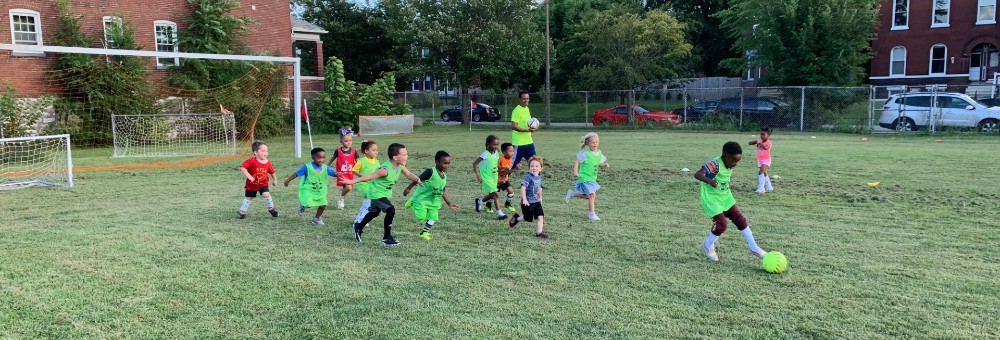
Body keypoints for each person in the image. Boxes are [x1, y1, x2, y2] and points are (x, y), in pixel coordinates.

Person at [693, 141, 768, 262]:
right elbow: (697, 174)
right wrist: (709, 181)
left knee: (740, 220)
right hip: (712, 199)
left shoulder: (729, 163)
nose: (735, 164)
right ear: (724, 156)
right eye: (733, 161)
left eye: (737, 161)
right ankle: (708, 245)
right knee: (722, 225)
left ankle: (754, 247)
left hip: (726, 197)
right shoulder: (715, 164)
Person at [344, 143, 423, 246]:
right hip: (376, 193)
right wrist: (351, 181)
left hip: (383, 193)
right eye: (404, 154)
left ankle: (358, 226)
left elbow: (408, 174)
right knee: (391, 210)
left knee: (375, 212)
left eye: (406, 154)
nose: (406, 156)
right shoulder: (384, 170)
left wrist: (417, 179)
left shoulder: (400, 166)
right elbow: (369, 177)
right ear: (395, 157)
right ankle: (387, 238)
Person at [402, 150, 460, 240]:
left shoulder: (444, 176)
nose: (446, 165)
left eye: (448, 163)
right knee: (421, 217)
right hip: (422, 199)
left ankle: (424, 233)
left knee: (433, 217)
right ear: (436, 162)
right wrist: (408, 188)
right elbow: (417, 179)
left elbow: (443, 190)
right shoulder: (430, 172)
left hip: (434, 201)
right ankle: (412, 201)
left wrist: (449, 203)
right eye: (444, 163)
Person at [284, 147, 339, 225]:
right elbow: (297, 173)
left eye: (323, 158)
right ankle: (303, 205)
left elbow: (333, 173)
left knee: (323, 204)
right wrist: (288, 180)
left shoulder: (325, 167)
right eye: (319, 157)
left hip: (320, 190)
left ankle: (317, 218)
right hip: (308, 189)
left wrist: (337, 174)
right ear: (313, 157)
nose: (321, 160)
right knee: (308, 204)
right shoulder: (307, 167)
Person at [565, 132, 609, 221]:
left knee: (589, 196)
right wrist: (575, 172)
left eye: (597, 142)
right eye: (593, 142)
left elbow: (601, 164)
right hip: (584, 177)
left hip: (592, 178)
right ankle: (591, 213)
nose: (595, 144)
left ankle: (572, 194)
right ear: (587, 143)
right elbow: (577, 161)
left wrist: (605, 166)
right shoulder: (586, 153)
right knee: (592, 194)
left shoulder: (599, 153)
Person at [508, 156, 549, 239]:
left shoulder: (539, 177)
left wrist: (540, 198)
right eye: (532, 166)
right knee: (527, 218)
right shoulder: (528, 177)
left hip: (536, 201)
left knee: (540, 217)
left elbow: (539, 188)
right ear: (529, 168)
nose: (534, 168)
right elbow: (523, 188)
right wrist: (525, 199)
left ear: (541, 168)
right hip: (528, 202)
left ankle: (539, 233)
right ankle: (516, 218)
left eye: (537, 166)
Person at [238, 141, 278, 219]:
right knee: (249, 198)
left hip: (263, 183)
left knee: (266, 194)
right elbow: (243, 167)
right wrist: (249, 176)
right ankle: (242, 212)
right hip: (251, 185)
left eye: (267, 151)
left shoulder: (268, 162)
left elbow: (272, 172)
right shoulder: (251, 161)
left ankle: (271, 209)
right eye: (263, 151)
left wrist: (275, 180)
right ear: (256, 152)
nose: (266, 153)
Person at [473, 135, 507, 220]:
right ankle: (500, 213)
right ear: (488, 144)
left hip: (494, 177)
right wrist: (478, 175)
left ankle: (479, 201)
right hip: (486, 177)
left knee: (492, 195)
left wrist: (503, 169)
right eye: (494, 144)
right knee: (495, 194)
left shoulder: (496, 154)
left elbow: (495, 166)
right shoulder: (485, 154)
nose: (496, 146)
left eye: (497, 144)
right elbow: (475, 164)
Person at [351, 140, 379, 228]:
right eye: (373, 150)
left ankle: (362, 219)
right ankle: (358, 221)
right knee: (368, 202)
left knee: (369, 203)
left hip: (373, 186)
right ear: (366, 151)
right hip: (363, 185)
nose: (376, 152)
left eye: (376, 150)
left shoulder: (377, 162)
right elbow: (354, 170)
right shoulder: (362, 161)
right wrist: (363, 176)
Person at [329, 132, 359, 208]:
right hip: (341, 173)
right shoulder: (338, 151)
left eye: (350, 140)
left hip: (350, 173)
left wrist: (360, 168)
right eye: (346, 141)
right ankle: (341, 197)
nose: (348, 142)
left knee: (346, 188)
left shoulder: (354, 151)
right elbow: (332, 158)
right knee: (349, 187)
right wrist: (327, 166)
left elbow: (358, 162)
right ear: (341, 142)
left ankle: (341, 199)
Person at [510, 91, 538, 169]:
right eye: (524, 99)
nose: (526, 100)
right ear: (519, 100)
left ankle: (535, 180)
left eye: (527, 98)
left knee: (535, 164)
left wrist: (533, 128)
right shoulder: (516, 111)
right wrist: (527, 130)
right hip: (518, 144)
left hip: (529, 143)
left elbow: (528, 124)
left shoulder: (527, 109)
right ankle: (502, 181)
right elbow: (514, 126)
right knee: (512, 166)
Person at [749, 127, 774, 194]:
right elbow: (750, 143)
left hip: (766, 160)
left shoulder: (769, 143)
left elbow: (766, 148)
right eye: (761, 134)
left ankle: (761, 189)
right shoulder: (759, 140)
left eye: (763, 134)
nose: (761, 136)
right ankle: (769, 187)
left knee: (761, 173)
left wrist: (760, 143)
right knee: (765, 173)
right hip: (760, 160)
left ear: (768, 135)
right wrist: (755, 141)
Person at [497, 142, 518, 212]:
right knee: (494, 195)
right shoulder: (502, 160)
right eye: (510, 151)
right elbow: (504, 172)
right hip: (497, 181)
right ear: (504, 152)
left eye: (513, 151)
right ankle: (486, 204)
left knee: (511, 191)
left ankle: (507, 204)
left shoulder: (510, 159)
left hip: (504, 180)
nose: (512, 153)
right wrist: (514, 169)